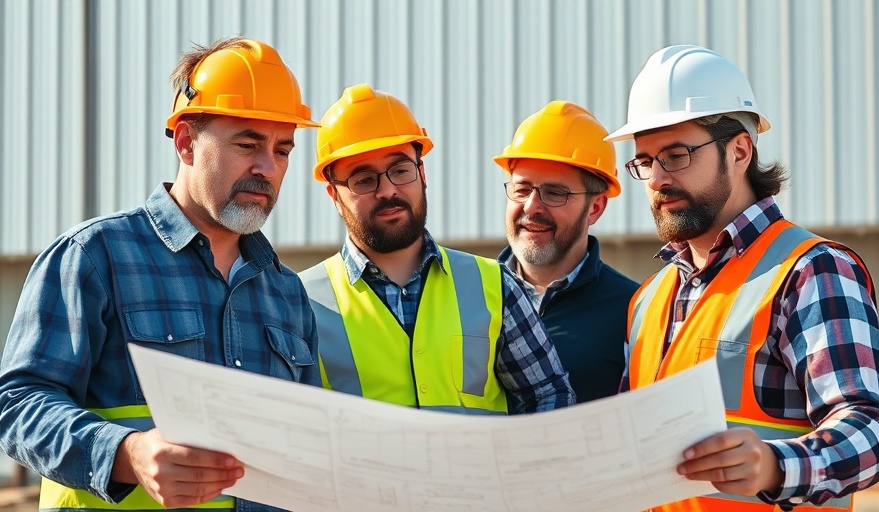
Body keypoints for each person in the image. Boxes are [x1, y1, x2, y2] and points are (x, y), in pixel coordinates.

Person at [0, 37, 321, 511]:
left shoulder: (286, 291)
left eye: (283, 150)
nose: (267, 167)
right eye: (248, 144)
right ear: (188, 142)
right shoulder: (94, 255)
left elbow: (307, 441)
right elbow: (18, 404)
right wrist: (127, 454)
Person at [606, 44, 879, 510]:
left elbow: (873, 430)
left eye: (676, 155)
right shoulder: (648, 299)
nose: (657, 178)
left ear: (739, 151)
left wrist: (775, 466)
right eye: (644, 161)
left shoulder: (810, 270)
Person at [299, 83, 575, 414]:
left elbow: (549, 398)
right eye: (363, 180)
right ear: (334, 196)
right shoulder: (301, 302)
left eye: (400, 170)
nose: (388, 190)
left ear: (422, 173)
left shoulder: (495, 286)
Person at [493, 100, 639, 402]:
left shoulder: (634, 311)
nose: (532, 206)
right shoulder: (467, 296)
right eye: (522, 189)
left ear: (595, 208)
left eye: (555, 193)